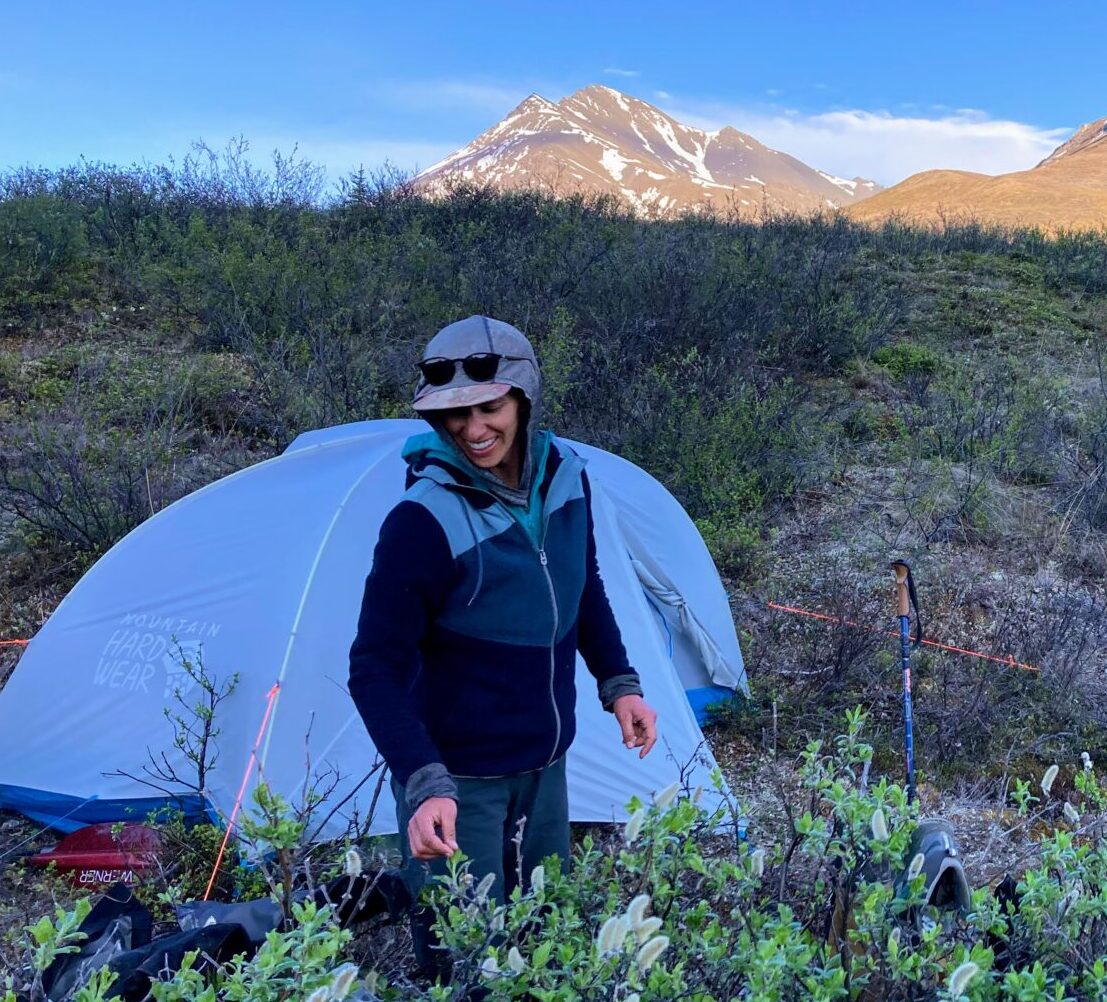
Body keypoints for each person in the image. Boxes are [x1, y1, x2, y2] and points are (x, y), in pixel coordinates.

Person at [348, 315, 658, 908]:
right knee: (462, 953)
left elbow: (581, 587)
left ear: (523, 397)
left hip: (545, 766)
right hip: (459, 783)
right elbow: (373, 667)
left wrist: (620, 685)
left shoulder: (566, 480)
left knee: (545, 930)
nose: (473, 428)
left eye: (489, 407)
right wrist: (425, 782)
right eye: (455, 414)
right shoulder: (422, 521)